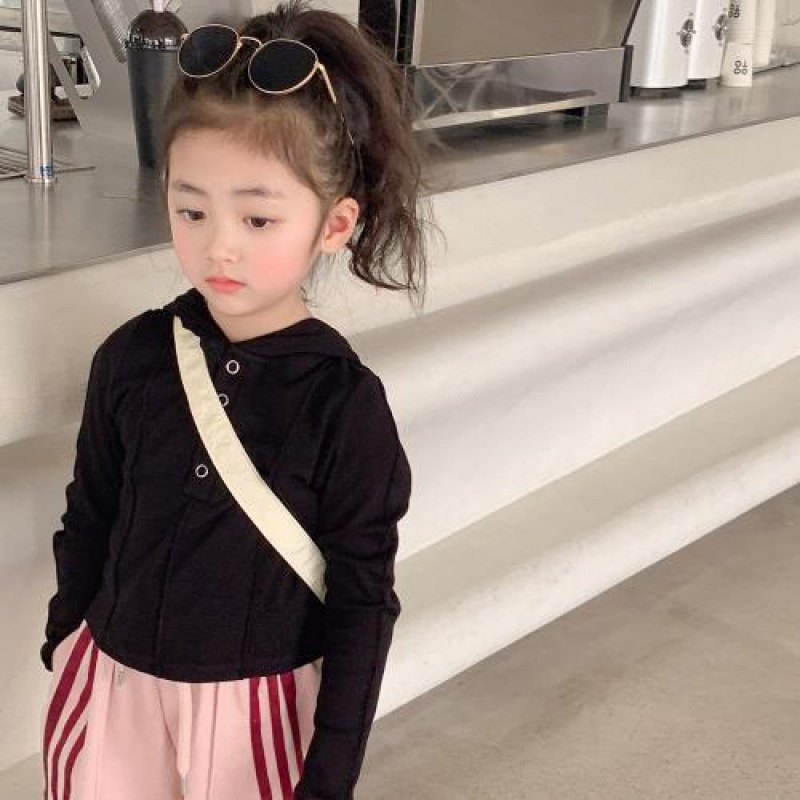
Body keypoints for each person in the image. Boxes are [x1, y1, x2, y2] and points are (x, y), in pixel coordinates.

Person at [39, 1, 443, 797]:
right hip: (110, 695)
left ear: (335, 225)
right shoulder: (131, 357)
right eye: (191, 209)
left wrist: (331, 768)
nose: (219, 244)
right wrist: (65, 637)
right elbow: (90, 512)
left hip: (254, 718)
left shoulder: (343, 405)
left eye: (258, 217)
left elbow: (362, 601)